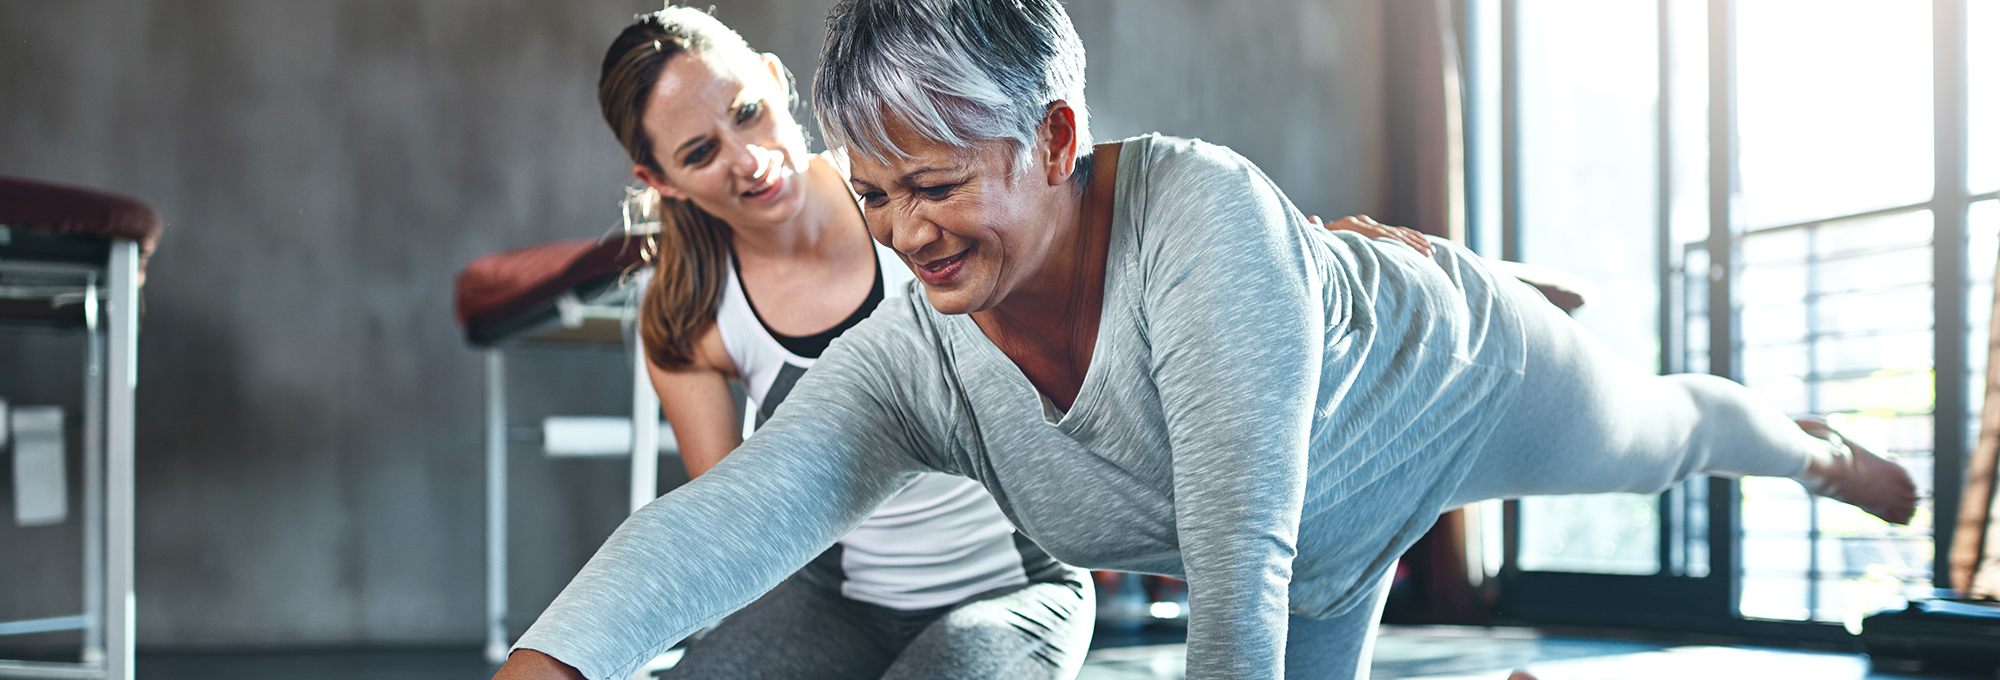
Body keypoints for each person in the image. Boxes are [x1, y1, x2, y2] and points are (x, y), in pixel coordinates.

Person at [496, 1, 1916, 679]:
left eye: (935, 189)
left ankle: (1803, 443)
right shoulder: (912, 344)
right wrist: (551, 667)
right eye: (878, 198)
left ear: (1055, 140)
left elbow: (1241, 569)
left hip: (1444, 392)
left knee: (1657, 441)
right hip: (1327, 527)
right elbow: (736, 509)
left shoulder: (1201, 225)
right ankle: (1381, 261)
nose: (906, 236)